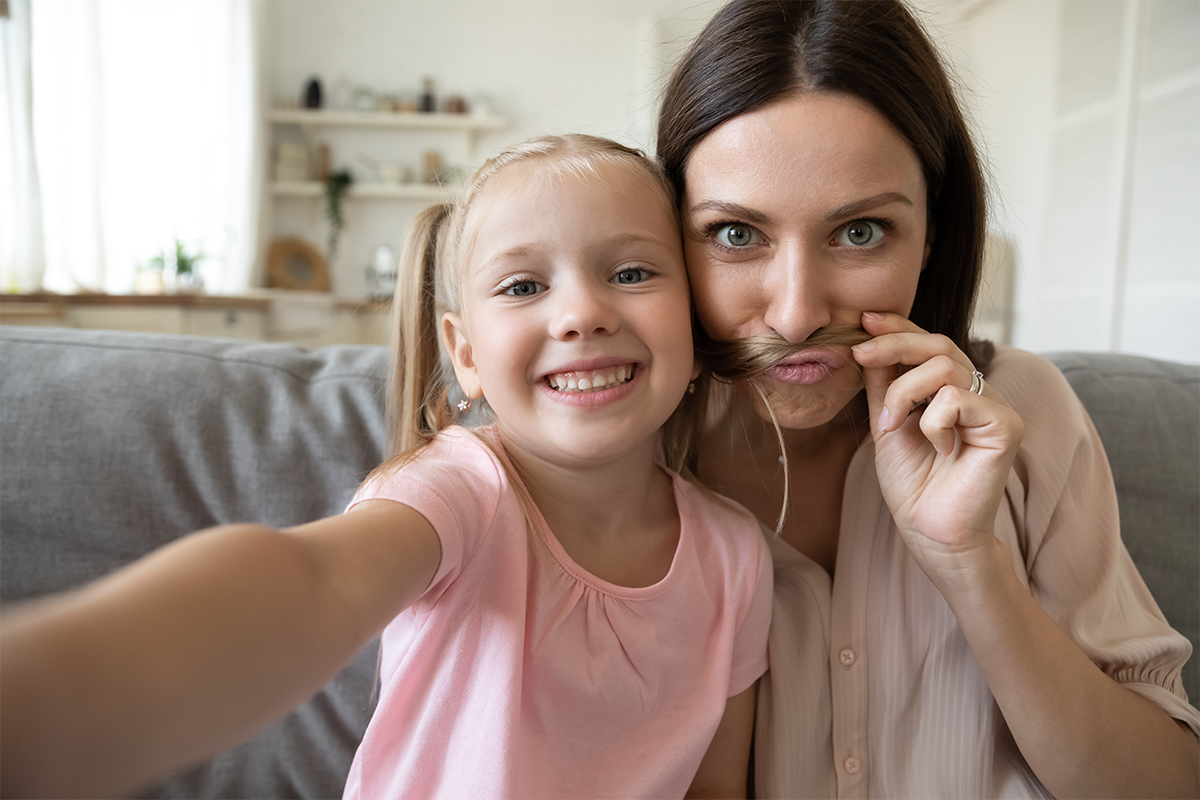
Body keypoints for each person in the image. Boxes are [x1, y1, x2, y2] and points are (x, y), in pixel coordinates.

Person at [0, 134, 773, 800]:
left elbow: (711, 787)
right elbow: (314, 584)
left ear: (697, 327)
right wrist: (55, 694)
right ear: (466, 355)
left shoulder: (736, 557)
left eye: (632, 273)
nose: (582, 312)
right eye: (524, 286)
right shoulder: (459, 491)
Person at [655, 0, 1200, 798]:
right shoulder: (615, 455)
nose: (799, 312)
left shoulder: (1025, 408)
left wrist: (971, 565)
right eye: (737, 234)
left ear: (934, 231)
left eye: (861, 231)